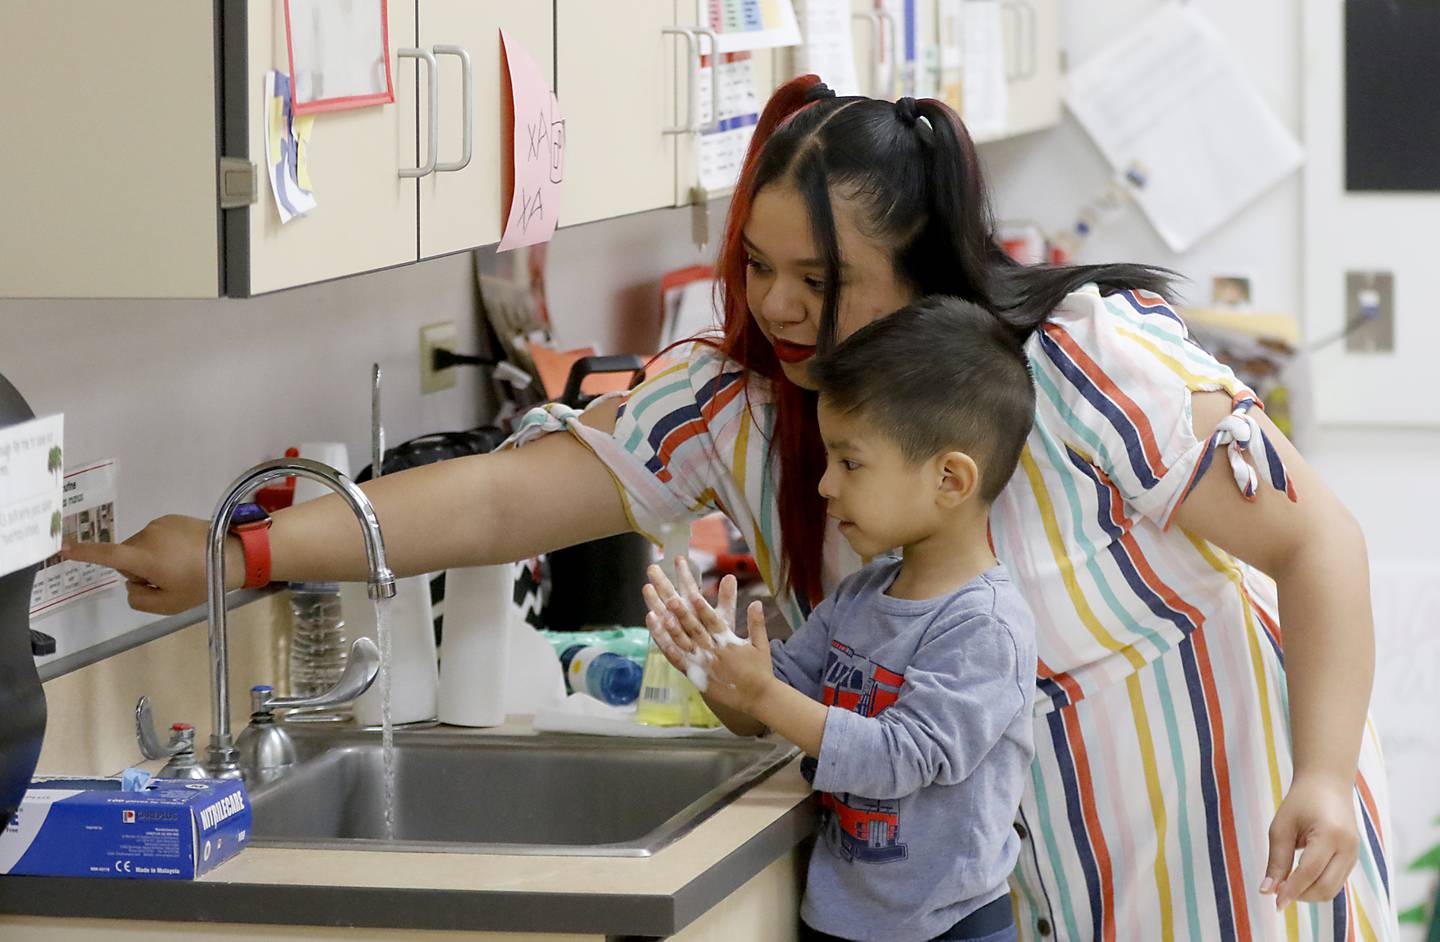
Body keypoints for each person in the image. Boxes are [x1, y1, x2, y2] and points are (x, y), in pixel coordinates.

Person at [66, 75, 1396, 940]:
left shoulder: (1081, 364)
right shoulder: (748, 402)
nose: (779, 308)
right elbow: (498, 502)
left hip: (1227, 869)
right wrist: (239, 551)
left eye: (825, 279)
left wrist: (1326, 769)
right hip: (991, 907)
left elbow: (1313, 536)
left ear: (926, 270)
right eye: (758, 267)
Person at [643, 296, 1038, 942]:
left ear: (951, 479)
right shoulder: (860, 596)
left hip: (948, 930)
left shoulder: (985, 627)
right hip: (837, 920)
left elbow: (898, 757)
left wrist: (763, 691)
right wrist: (715, 668)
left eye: (849, 463)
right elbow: (770, 710)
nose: (826, 485)